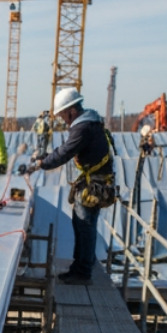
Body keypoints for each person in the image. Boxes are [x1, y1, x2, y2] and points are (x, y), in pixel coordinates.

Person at [29, 87, 115, 285]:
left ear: (71, 111)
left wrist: (43, 164)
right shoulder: (89, 123)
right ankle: (80, 267)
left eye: (62, 115)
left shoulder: (83, 128)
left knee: (85, 226)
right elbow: (65, 148)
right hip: (92, 181)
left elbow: (66, 151)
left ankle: (83, 272)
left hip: (93, 184)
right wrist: (46, 157)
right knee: (82, 225)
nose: (62, 120)